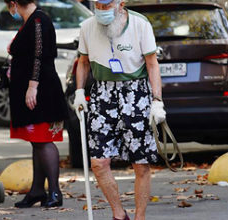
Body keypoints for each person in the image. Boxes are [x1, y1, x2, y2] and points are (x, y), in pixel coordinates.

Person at [73, 0, 166, 219]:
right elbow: (83, 62)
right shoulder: (87, 26)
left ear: (121, 3)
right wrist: (79, 92)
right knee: (98, 162)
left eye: (106, 5)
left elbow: (152, 64)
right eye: (98, 5)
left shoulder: (140, 24)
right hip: (102, 93)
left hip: (135, 93)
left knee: (141, 163)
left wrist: (156, 100)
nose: (102, 10)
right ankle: (118, 214)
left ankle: (139, 216)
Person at [4, 0, 68, 208]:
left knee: (43, 140)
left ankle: (55, 192)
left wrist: (32, 86)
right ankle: (37, 191)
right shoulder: (31, 20)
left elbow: (40, 54)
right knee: (36, 141)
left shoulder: (39, 19)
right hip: (34, 91)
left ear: (13, 3)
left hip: (42, 92)